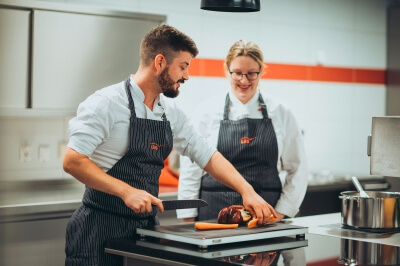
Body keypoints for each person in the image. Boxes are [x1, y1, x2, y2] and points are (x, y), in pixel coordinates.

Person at [63, 25, 277, 266]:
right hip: (97, 229)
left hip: (144, 231)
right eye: (183, 66)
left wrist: (246, 190)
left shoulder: (170, 112)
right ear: (160, 62)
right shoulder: (107, 103)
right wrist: (126, 191)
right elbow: (73, 161)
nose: (186, 76)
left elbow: (206, 154)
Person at [177, 40, 308, 223]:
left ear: (261, 72)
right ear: (226, 70)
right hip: (215, 215)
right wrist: (188, 216)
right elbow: (190, 169)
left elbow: (298, 168)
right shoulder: (206, 111)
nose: (244, 81)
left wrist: (280, 213)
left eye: (251, 74)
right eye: (237, 73)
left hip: (265, 216)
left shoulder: (281, 111)